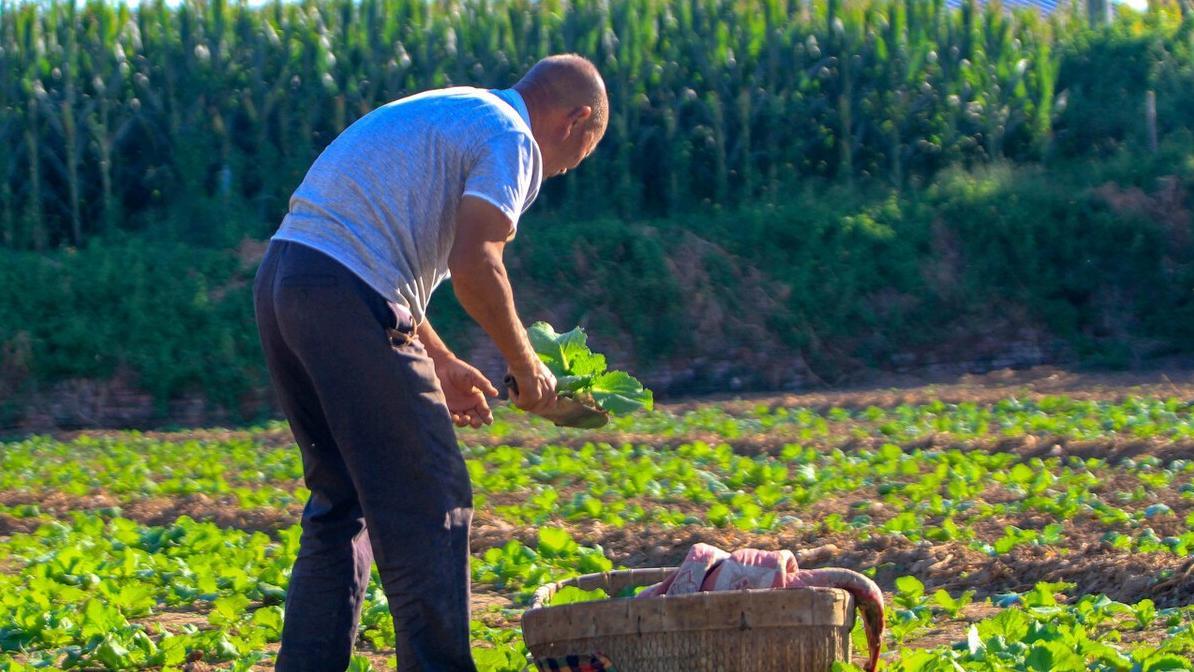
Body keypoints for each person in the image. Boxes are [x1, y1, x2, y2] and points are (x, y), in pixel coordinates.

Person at [252, 54, 608, 671]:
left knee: (341, 502)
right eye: (580, 154)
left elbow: (383, 260)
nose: (564, 170)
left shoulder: (458, 107)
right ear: (576, 120)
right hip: (344, 296)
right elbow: (478, 262)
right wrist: (528, 368)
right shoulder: (513, 138)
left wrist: (439, 362)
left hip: (288, 281)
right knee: (434, 498)